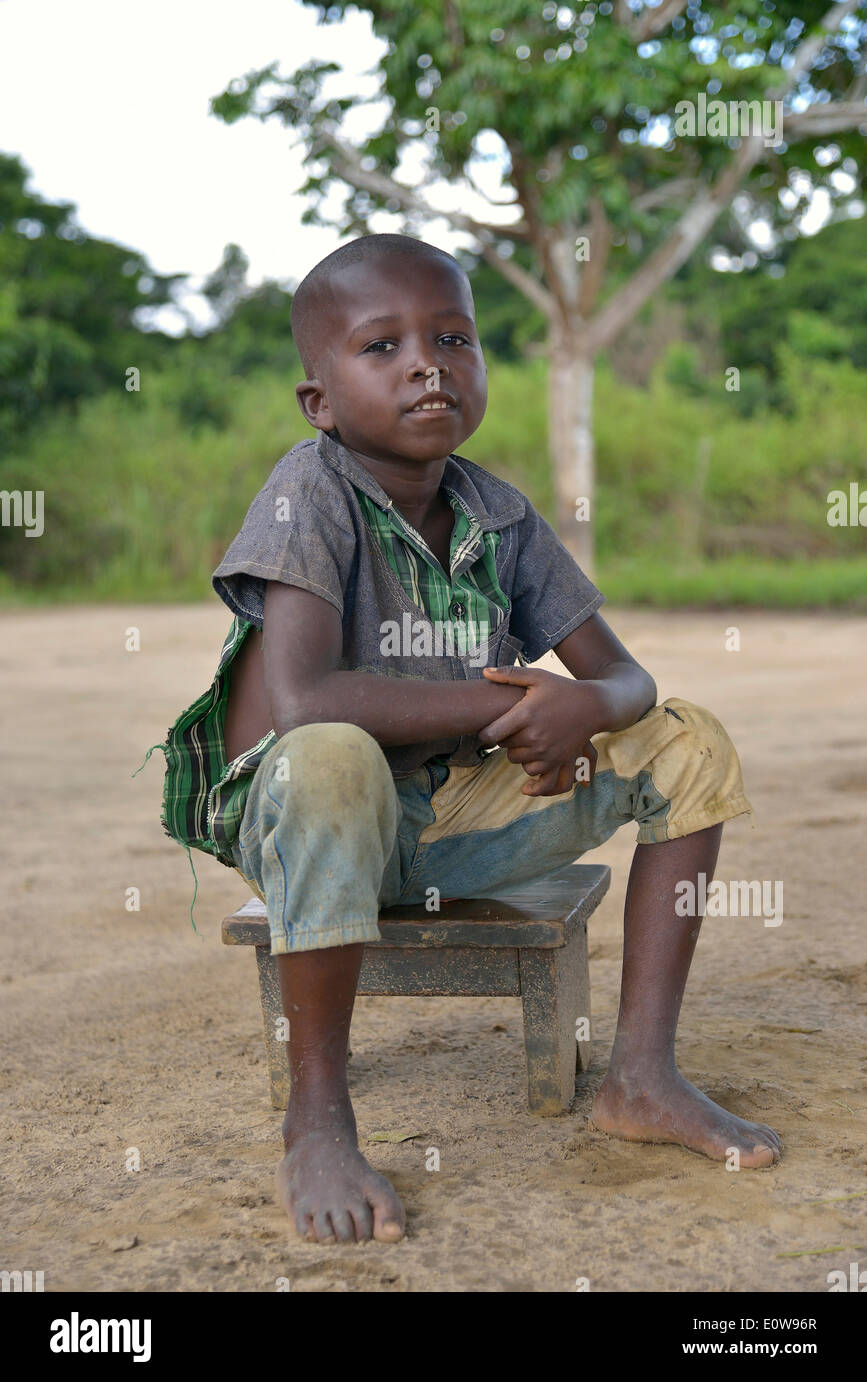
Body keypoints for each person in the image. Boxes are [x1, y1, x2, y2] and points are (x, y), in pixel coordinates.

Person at [159, 233, 780, 1247]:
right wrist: (511, 707)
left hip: (454, 820)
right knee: (331, 757)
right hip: (316, 829)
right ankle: (318, 1115)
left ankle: (642, 1074)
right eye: (383, 345)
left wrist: (585, 705)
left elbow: (627, 676)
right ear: (319, 402)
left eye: (454, 337)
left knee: (687, 740)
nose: (427, 363)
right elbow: (307, 699)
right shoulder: (308, 493)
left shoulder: (498, 511)